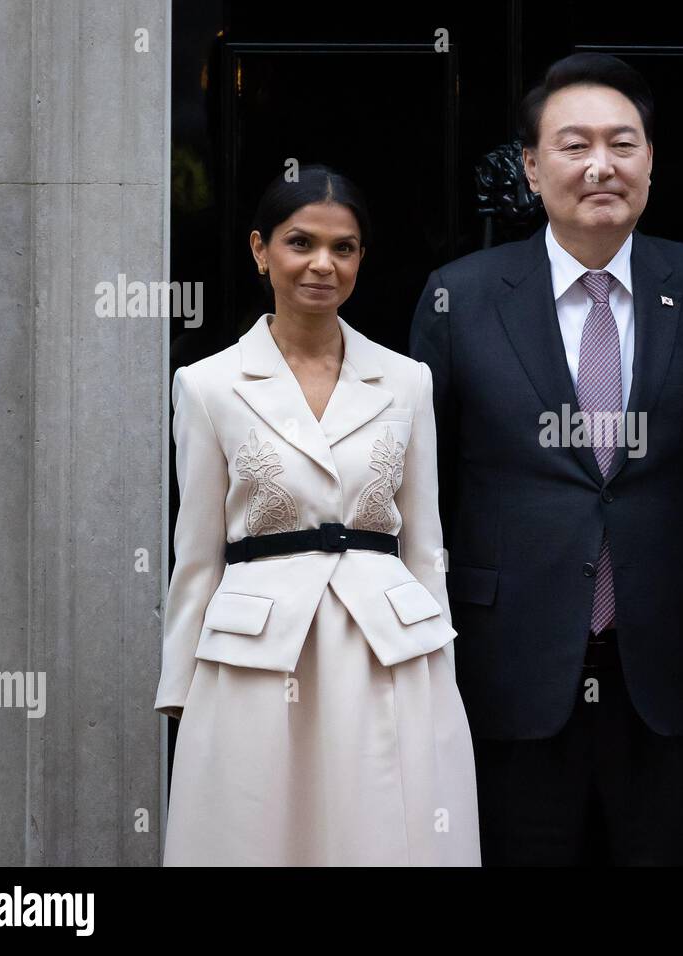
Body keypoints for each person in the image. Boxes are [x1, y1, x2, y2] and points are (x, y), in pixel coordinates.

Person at [410, 53, 683, 865]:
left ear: (650, 162)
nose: (601, 165)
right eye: (575, 145)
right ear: (533, 167)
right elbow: (421, 491)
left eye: (623, 143)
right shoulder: (458, 298)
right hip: (508, 667)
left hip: (678, 663)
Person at [154, 165, 479, 865]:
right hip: (256, 655)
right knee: (259, 835)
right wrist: (180, 688)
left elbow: (424, 545)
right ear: (259, 250)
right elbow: (198, 552)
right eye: (301, 243)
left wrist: (440, 666)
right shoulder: (206, 384)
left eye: (345, 248)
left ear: (362, 259)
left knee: (385, 833)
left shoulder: (406, 379)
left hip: (385, 649)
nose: (322, 265)